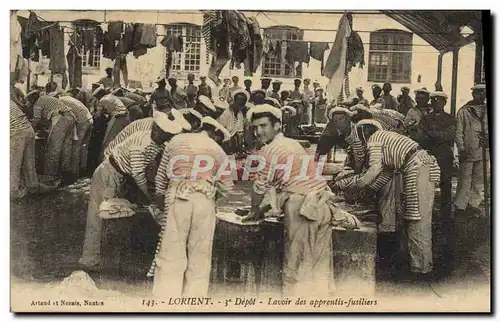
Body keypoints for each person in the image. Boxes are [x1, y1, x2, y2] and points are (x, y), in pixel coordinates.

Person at [242, 104, 335, 296]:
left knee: (296, 264)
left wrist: (253, 211)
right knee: (319, 268)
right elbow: (284, 183)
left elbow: (260, 187)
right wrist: (262, 208)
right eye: (255, 127)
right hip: (321, 206)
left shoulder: (270, 150)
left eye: (263, 126)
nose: (258, 131)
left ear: (277, 125)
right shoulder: (292, 144)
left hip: (303, 207)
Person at [333, 120, 440, 279]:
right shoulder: (384, 139)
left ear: (364, 133)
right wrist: (368, 189)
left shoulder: (374, 140)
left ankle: (422, 271)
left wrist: (355, 185)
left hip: (418, 168)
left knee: (417, 220)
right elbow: (386, 173)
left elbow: (374, 170)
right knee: (413, 218)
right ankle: (418, 266)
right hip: (418, 166)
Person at [78, 111, 183, 271]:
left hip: (119, 173)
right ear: (157, 130)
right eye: (164, 135)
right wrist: (151, 198)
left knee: (113, 215)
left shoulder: (156, 141)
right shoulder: (142, 145)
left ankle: (105, 256)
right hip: (109, 173)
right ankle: (90, 259)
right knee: (99, 215)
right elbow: (138, 175)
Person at [151, 116, 233, 297]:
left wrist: (161, 206)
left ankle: (165, 302)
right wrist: (212, 196)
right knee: (200, 255)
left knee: (171, 252)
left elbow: (160, 180)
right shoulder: (218, 151)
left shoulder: (176, 140)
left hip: (177, 194)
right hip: (205, 198)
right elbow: (227, 187)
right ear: (216, 136)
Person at [413, 91, 455, 218]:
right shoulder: (425, 118)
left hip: (444, 154)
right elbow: (420, 137)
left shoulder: (450, 119)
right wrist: (438, 135)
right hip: (429, 153)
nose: (436, 104)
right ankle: (426, 209)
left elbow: (449, 135)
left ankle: (445, 211)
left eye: (439, 101)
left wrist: (431, 134)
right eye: (434, 101)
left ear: (444, 103)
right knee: (425, 181)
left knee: (445, 182)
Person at [454, 84, 489, 217]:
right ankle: (460, 205)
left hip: (483, 151)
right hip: (468, 151)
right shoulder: (464, 111)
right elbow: (458, 132)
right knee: (465, 179)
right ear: (473, 94)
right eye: (479, 93)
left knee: (479, 179)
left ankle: (473, 204)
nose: (482, 96)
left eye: (484, 93)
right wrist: (461, 149)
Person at [27, 93, 76, 181]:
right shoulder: (47, 98)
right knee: (66, 148)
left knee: (53, 148)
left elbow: (36, 119)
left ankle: (50, 175)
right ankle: (66, 173)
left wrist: (30, 131)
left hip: (61, 118)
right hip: (71, 117)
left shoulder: (38, 103)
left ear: (32, 100)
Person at [10, 100, 52, 198]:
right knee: (29, 162)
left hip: (16, 131)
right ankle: (32, 185)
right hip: (28, 129)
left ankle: (13, 191)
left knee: (13, 163)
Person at [59, 95, 94, 179]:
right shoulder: (68, 98)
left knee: (75, 147)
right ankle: (83, 168)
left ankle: (74, 172)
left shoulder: (60, 102)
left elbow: (71, 117)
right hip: (89, 119)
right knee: (83, 147)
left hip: (82, 122)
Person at [98, 94, 130, 163]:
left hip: (118, 117)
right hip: (124, 116)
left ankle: (104, 161)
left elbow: (108, 111)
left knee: (108, 141)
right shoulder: (109, 98)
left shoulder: (104, 100)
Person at [217, 89, 248, 154]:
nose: (241, 103)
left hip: (233, 145)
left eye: (243, 101)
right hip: (222, 143)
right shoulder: (227, 112)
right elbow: (220, 130)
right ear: (235, 100)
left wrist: (240, 146)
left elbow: (240, 132)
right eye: (239, 100)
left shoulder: (240, 114)